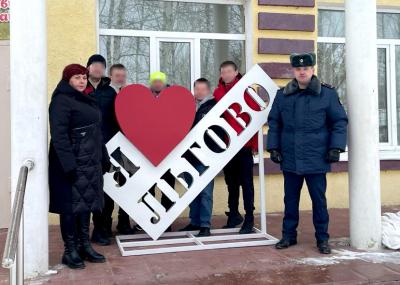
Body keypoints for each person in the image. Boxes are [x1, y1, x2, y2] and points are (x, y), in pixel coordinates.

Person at [266, 52, 348, 254]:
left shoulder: (327, 94)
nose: (302, 72)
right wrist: (274, 147)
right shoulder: (282, 95)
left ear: (313, 70)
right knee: (290, 200)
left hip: (317, 158)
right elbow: (275, 123)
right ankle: (288, 236)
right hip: (291, 157)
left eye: (306, 68)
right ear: (293, 71)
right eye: (298, 69)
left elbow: (339, 121)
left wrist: (335, 147)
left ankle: (322, 239)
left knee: (319, 201)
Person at [49, 64, 111, 269]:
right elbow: (59, 136)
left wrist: (104, 157)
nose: (82, 81)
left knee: (86, 204)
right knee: (69, 207)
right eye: (77, 77)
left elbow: (97, 132)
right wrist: (69, 165)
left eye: (84, 77)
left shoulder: (87, 99)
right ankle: (70, 250)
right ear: (68, 79)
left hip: (90, 162)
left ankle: (84, 245)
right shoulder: (61, 100)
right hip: (71, 163)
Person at [84, 54, 129, 244]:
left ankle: (104, 227)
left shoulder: (110, 93)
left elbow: (121, 119)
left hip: (110, 148)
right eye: (94, 65)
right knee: (92, 190)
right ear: (88, 68)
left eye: (101, 66)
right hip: (87, 148)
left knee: (108, 189)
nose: (97, 69)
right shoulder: (81, 90)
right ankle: (95, 228)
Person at [213, 61, 260, 234]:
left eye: (229, 71)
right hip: (227, 146)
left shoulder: (246, 90)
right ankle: (233, 215)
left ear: (236, 72)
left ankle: (249, 219)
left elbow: (255, 118)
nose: (226, 74)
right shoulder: (217, 92)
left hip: (244, 145)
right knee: (231, 184)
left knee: (246, 184)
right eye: (223, 71)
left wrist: (254, 143)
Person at [179, 78, 217, 237]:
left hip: (205, 157)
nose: (199, 92)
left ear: (208, 91)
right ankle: (194, 222)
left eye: (202, 89)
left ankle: (205, 225)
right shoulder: (188, 107)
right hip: (189, 157)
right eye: (197, 89)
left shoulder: (214, 107)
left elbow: (218, 133)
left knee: (205, 192)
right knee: (192, 191)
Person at [147, 71, 175, 231]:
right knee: (149, 187)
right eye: (155, 81)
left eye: (160, 81)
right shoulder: (144, 99)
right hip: (148, 151)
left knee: (167, 187)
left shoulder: (172, 100)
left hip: (169, 151)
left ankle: (167, 220)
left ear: (164, 83)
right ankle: (149, 219)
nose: (157, 84)